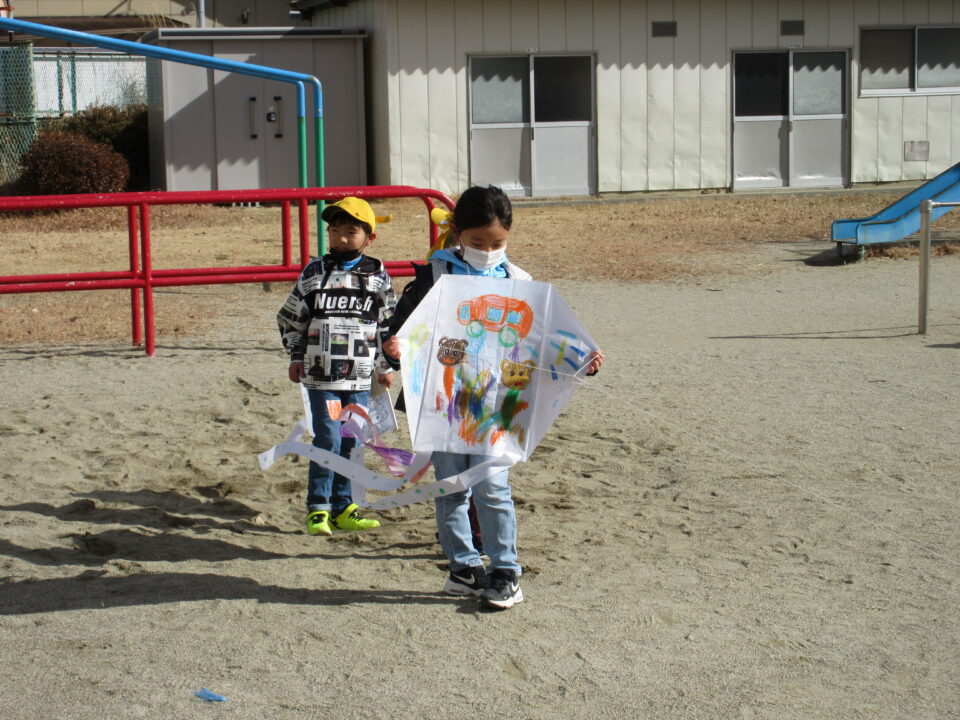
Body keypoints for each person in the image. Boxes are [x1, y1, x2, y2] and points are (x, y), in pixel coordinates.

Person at [382, 185, 604, 610]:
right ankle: (463, 569)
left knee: (492, 487)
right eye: (477, 242)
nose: (487, 251)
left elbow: (545, 338)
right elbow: (400, 331)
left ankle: (505, 571)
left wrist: (582, 359)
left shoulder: (519, 282)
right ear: (457, 233)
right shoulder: (434, 277)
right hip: (443, 404)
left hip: (498, 407)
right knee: (450, 488)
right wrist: (394, 350)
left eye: (497, 243)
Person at [278, 197, 396, 537]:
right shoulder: (314, 272)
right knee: (328, 436)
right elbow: (291, 318)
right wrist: (296, 356)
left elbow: (387, 324)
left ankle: (345, 507)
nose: (341, 239)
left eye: (350, 232)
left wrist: (386, 365)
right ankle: (318, 508)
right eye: (334, 231)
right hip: (322, 377)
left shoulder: (377, 276)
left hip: (359, 379)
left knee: (352, 440)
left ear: (369, 237)